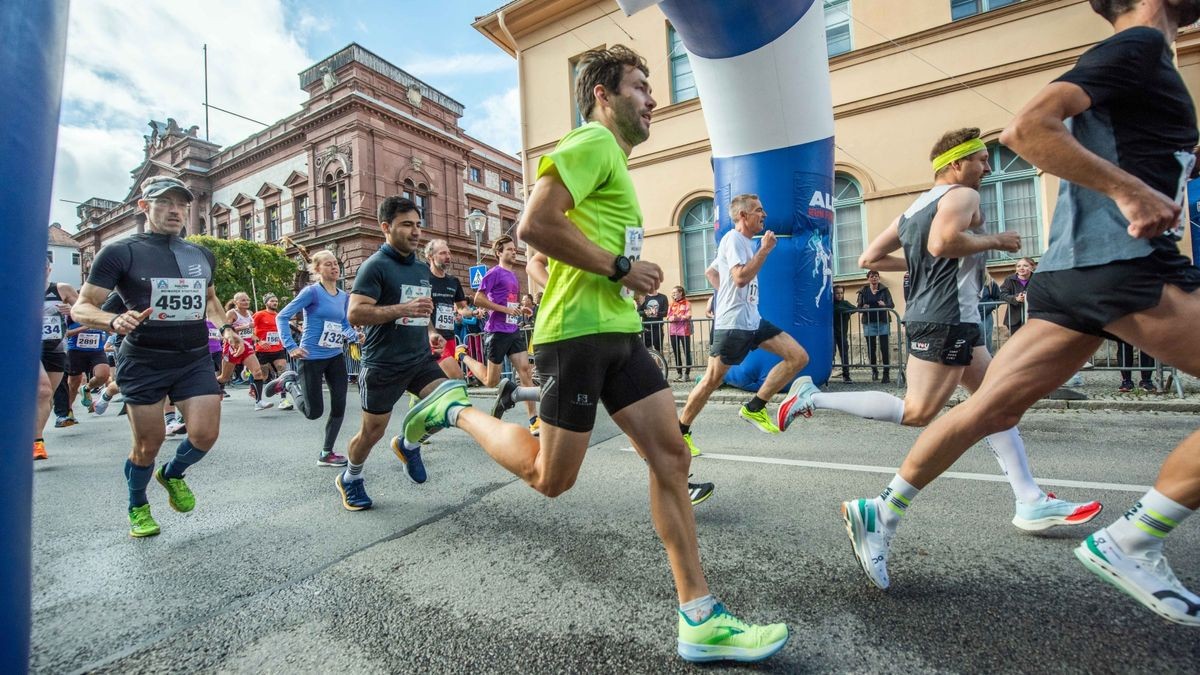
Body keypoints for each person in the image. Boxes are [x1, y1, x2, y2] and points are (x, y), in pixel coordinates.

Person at [400, 45, 784, 662]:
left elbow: (549, 247)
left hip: (619, 331)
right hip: (576, 334)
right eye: (639, 85)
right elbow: (533, 225)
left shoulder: (613, 163)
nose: (652, 97)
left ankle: (700, 617)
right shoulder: (590, 142)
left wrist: (594, 272)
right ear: (603, 95)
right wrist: (622, 267)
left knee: (671, 457)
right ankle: (454, 412)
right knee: (550, 478)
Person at [839, 0, 1200, 626]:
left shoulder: (1138, 60)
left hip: (1069, 275)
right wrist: (1130, 191)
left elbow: (879, 253)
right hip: (1117, 265)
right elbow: (1026, 130)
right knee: (939, 407)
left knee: (987, 409)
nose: (986, 163)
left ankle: (883, 507)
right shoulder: (1139, 47)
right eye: (976, 159)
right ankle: (1134, 538)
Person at [785, 127, 1099, 544]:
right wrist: (998, 241)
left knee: (997, 404)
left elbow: (868, 257)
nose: (988, 167)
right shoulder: (961, 196)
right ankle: (811, 398)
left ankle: (1029, 499)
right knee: (917, 411)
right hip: (946, 319)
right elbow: (944, 242)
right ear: (956, 164)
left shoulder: (915, 208)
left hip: (948, 318)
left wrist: (920, 267)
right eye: (982, 160)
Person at [71, 176, 243, 537]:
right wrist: (113, 319)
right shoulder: (121, 252)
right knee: (147, 445)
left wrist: (226, 328)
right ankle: (138, 504)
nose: (175, 211)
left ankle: (173, 474)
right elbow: (82, 308)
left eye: (181, 204)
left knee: (205, 434)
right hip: (145, 361)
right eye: (165, 203)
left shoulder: (199, 253)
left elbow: (210, 300)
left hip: (193, 357)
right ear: (144, 207)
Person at [677, 193, 812, 457]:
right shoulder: (734, 239)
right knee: (711, 381)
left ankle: (754, 407)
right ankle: (680, 432)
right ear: (743, 216)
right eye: (759, 211)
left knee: (798, 357)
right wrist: (764, 250)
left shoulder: (743, 243)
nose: (764, 215)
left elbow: (712, 272)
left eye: (763, 211)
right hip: (733, 325)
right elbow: (739, 277)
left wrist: (724, 294)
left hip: (752, 320)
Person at [333, 196, 446, 509]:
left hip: (419, 359)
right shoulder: (374, 267)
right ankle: (350, 478)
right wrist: (402, 309)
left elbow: (421, 311)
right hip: (383, 363)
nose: (415, 232)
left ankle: (409, 444)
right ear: (386, 227)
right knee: (371, 433)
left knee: (448, 404)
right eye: (407, 225)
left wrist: (432, 332)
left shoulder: (421, 269)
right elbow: (356, 313)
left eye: (418, 225)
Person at [268, 250, 356, 467]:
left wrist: (355, 336)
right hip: (310, 356)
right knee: (313, 412)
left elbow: (343, 324)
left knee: (340, 405)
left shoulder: (344, 297)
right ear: (317, 270)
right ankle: (289, 383)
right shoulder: (312, 293)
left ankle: (326, 452)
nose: (334, 267)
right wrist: (291, 346)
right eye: (328, 264)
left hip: (335, 355)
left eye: (335, 263)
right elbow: (282, 316)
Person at [458, 236, 539, 434]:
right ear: (499, 253)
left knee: (525, 372)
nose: (514, 252)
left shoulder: (513, 276)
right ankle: (462, 355)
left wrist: (521, 309)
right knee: (490, 381)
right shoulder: (494, 273)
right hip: (496, 331)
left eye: (514, 249)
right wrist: (503, 310)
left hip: (512, 330)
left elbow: (510, 304)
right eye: (509, 249)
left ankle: (533, 420)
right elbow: (478, 299)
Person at [36, 264, 78, 459]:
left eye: (43, 265)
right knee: (43, 390)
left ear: (49, 269)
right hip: (27, 349)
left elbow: (85, 311)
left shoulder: (62, 289)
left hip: (56, 349)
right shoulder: (19, 288)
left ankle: (33, 435)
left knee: (46, 397)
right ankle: (36, 442)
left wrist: (71, 310)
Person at [423, 238, 471, 380]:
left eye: (449, 253)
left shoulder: (453, 281)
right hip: (431, 339)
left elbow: (462, 307)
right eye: (443, 253)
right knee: (456, 378)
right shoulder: (424, 279)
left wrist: (473, 312)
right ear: (430, 256)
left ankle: (420, 401)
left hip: (449, 338)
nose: (448, 257)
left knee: (443, 381)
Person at [219, 292, 272, 411]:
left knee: (257, 372)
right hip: (233, 346)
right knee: (224, 377)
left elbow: (250, 333)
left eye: (247, 300)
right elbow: (226, 329)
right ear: (236, 302)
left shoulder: (250, 313)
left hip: (247, 346)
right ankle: (216, 389)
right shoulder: (231, 313)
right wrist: (246, 326)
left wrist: (259, 341)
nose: (246, 302)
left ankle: (258, 401)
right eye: (243, 300)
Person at [253, 293, 291, 409]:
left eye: (276, 301)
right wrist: (259, 341)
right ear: (266, 303)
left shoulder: (280, 316)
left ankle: (284, 400)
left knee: (282, 372)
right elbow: (249, 330)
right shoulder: (259, 315)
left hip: (278, 349)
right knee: (263, 376)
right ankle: (258, 400)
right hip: (262, 350)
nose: (275, 303)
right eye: (272, 301)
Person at [65, 317, 110, 415]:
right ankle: (67, 411)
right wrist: (85, 328)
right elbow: (66, 334)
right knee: (73, 383)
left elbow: (110, 329)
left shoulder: (100, 310)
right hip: (76, 351)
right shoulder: (74, 312)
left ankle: (86, 388)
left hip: (97, 351)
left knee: (103, 375)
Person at [856, 270, 894, 383]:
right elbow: (858, 307)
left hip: (882, 322)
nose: (874, 278)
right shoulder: (864, 291)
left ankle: (886, 374)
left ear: (879, 278)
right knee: (871, 348)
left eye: (876, 276)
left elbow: (891, 305)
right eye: (872, 276)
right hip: (869, 323)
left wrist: (885, 305)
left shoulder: (884, 290)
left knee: (884, 348)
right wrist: (863, 307)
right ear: (868, 278)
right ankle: (874, 371)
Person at [1000, 257, 1035, 336]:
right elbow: (1002, 295)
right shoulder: (1009, 279)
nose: (1021, 268)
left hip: (1033, 317)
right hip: (1014, 318)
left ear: (1032, 267)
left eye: (1025, 266)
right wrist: (1015, 298)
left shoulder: (1037, 278)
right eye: (1018, 266)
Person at [666, 286, 693, 381]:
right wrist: (672, 318)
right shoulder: (671, 304)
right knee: (676, 353)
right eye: (672, 293)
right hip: (673, 331)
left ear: (681, 293)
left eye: (675, 292)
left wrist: (679, 317)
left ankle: (687, 374)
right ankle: (679, 373)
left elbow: (689, 315)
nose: (673, 294)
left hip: (684, 331)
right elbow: (668, 317)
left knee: (687, 352)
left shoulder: (687, 303)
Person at [832, 286, 855, 382]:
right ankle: (830, 371)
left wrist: (844, 310)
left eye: (841, 293)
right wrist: (844, 310)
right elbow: (836, 309)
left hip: (842, 333)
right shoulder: (830, 304)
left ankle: (846, 375)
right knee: (831, 353)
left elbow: (854, 308)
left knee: (844, 354)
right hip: (832, 333)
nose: (840, 295)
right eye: (837, 293)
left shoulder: (845, 303)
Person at [638, 289, 668, 354]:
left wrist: (656, 313)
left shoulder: (663, 297)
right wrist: (647, 312)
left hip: (658, 328)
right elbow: (638, 312)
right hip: (646, 329)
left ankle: (659, 364)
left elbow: (665, 312)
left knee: (659, 350)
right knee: (646, 351)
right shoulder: (643, 297)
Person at [978, 275, 1003, 351]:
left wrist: (987, 307)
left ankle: (987, 360)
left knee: (986, 339)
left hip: (985, 316)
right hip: (966, 316)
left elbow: (999, 298)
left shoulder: (990, 282)